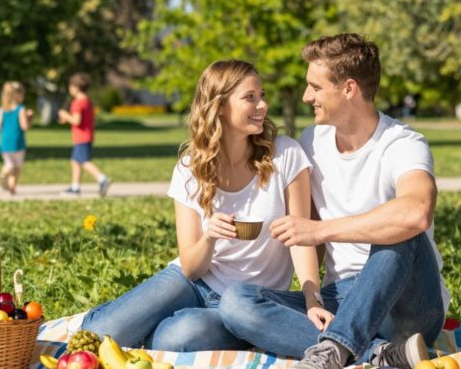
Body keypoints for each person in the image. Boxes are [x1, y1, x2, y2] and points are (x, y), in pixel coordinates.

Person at [219, 33, 451, 369]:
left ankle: (335, 350)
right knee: (237, 303)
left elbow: (417, 212)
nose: (305, 96)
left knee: (402, 231)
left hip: (406, 307)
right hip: (340, 297)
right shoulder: (313, 141)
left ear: (349, 89)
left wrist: (320, 230)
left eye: (315, 87)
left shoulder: (403, 143)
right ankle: (378, 353)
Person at [80, 60, 327, 351]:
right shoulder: (190, 167)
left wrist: (312, 299)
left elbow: (301, 238)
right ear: (219, 106)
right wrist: (209, 236)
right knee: (97, 334)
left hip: (247, 301)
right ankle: (126, 319)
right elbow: (191, 267)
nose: (262, 105)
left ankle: (152, 324)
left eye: (262, 95)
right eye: (250, 97)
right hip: (192, 283)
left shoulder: (285, 154)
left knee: (173, 338)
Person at [58, 72, 112, 197]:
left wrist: (65, 115)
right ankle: (75, 187)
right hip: (86, 135)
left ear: (76, 87)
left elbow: (76, 120)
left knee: (83, 160)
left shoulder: (77, 102)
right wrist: (67, 118)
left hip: (81, 137)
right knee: (75, 161)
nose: (69, 89)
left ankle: (102, 179)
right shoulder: (87, 101)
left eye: (70, 86)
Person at [0, 81, 33, 195]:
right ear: (18, 95)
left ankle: (7, 180)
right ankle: (9, 183)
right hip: (17, 141)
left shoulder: (1, 109)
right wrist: (29, 118)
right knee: (17, 166)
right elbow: (24, 126)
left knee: (9, 163)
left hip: (5, 141)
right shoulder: (21, 109)